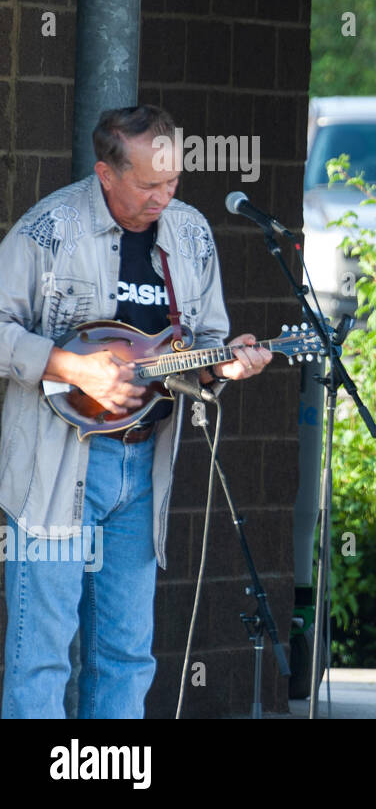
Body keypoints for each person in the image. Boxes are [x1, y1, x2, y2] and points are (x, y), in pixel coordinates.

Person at [0, 105, 272, 718]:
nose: (164, 197)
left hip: (145, 465)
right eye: (149, 185)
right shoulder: (50, 230)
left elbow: (205, 343)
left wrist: (223, 366)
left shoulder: (192, 233)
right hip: (56, 468)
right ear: (105, 173)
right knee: (42, 656)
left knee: (126, 655)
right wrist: (71, 366)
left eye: (173, 181)